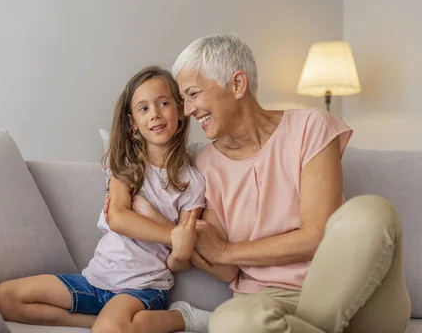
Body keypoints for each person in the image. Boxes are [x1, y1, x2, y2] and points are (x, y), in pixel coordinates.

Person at [158, 34, 411, 333]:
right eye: (183, 99)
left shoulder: (310, 127)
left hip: (355, 292)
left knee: (372, 212)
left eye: (193, 93)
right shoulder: (206, 165)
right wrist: (172, 235)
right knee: (230, 322)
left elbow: (316, 236)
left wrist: (226, 249)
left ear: (237, 84)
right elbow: (226, 270)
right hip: (270, 303)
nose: (187, 110)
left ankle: (316, 324)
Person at [0, 66, 207, 332]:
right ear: (132, 123)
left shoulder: (192, 182)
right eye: (143, 108)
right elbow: (118, 218)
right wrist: (174, 236)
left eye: (163, 103)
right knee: (4, 297)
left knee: (110, 328)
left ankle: (172, 317)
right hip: (95, 282)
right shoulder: (127, 166)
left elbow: (180, 261)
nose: (155, 114)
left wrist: (179, 247)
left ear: (181, 110)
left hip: (144, 289)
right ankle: (106, 323)